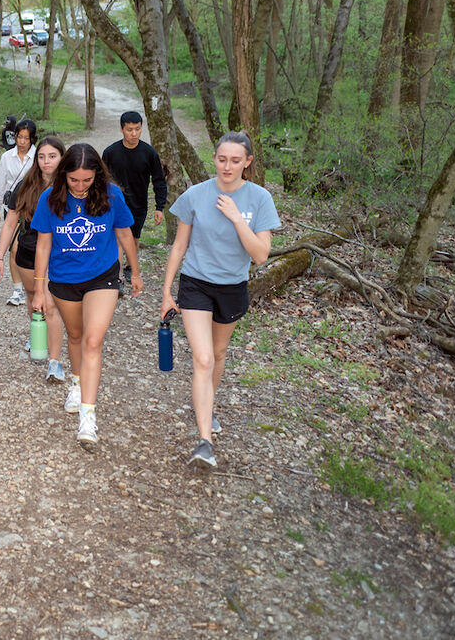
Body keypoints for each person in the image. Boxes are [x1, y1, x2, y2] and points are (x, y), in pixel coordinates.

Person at [161, 132, 280, 468]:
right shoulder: (196, 196)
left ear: (248, 162)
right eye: (222, 159)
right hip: (195, 283)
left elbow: (260, 255)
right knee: (202, 358)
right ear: (214, 158)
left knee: (217, 353)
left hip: (232, 287)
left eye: (235, 160)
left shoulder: (259, 199)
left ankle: (208, 405)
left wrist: (236, 218)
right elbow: (179, 247)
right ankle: (204, 443)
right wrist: (167, 291)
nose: (227, 166)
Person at [31, 143, 142, 451]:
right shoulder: (49, 198)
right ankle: (77, 383)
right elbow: (42, 245)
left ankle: (87, 418)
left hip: (102, 275)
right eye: (74, 180)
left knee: (93, 340)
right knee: (76, 336)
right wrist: (39, 289)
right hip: (64, 280)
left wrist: (135, 271)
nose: (80, 186)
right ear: (64, 174)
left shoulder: (111, 194)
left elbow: (124, 234)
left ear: (97, 175)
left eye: (87, 180)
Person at [0, 135, 68, 382]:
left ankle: (55, 362)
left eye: (52, 156)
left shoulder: (72, 184)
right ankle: (38, 336)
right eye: (42, 157)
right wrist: (0, 258)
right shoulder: (25, 185)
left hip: (58, 253)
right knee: (32, 300)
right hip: (27, 250)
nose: (47, 162)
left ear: (62, 157)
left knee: (50, 304)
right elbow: (10, 222)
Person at [101, 111, 167, 282]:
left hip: (139, 202)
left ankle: (131, 267)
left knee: (134, 236)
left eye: (137, 129)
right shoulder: (110, 152)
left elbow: (159, 180)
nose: (133, 133)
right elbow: (101, 179)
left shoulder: (149, 153)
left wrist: (160, 207)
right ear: (122, 129)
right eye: (129, 129)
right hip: (115, 202)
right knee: (116, 237)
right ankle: (118, 277)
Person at [0, 118, 37, 307]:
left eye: (26, 138)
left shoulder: (38, 157)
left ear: (32, 139)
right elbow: (1, 182)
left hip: (32, 209)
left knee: (28, 248)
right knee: (14, 249)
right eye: (19, 137)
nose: (22, 141)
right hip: (11, 206)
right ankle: (17, 289)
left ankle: (35, 284)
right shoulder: (7, 157)